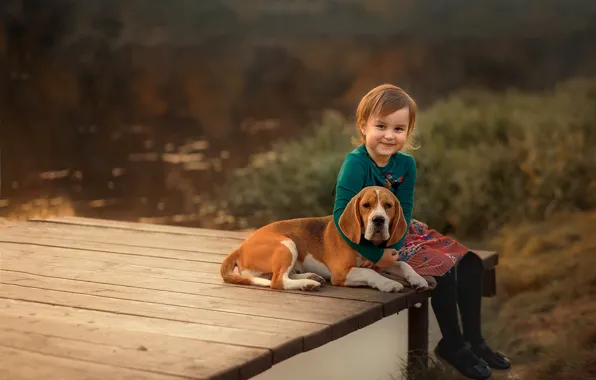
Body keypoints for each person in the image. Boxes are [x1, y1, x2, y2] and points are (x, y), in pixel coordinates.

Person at [332, 84, 511, 380]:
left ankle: (475, 340)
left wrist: (398, 247)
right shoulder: (355, 164)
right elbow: (341, 217)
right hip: (363, 239)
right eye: (381, 126)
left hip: (403, 231)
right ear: (363, 126)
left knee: (469, 262)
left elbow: (405, 208)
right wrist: (378, 256)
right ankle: (453, 345)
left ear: (409, 131)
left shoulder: (406, 164)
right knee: (442, 268)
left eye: (399, 128)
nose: (390, 135)